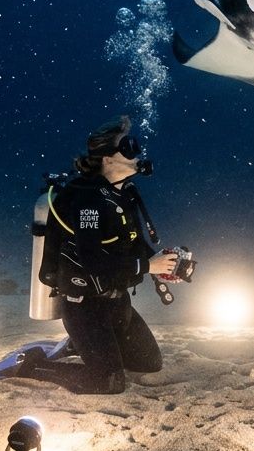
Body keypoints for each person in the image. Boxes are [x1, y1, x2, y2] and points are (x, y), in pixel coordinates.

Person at [20, 116, 178, 394]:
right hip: (85, 308)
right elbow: (92, 262)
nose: (136, 153)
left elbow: (135, 243)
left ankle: (80, 346)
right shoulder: (87, 201)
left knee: (149, 363)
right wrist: (147, 266)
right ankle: (32, 365)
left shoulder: (124, 193)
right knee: (108, 382)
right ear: (107, 159)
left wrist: (163, 264)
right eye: (127, 147)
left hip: (118, 304)